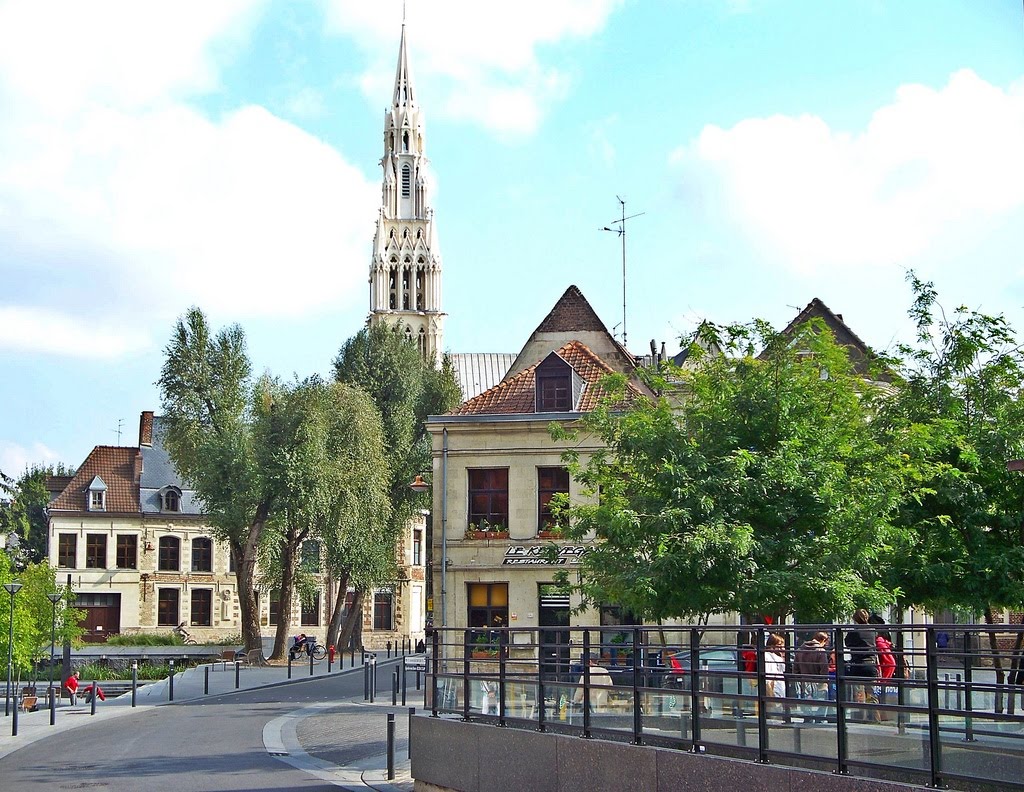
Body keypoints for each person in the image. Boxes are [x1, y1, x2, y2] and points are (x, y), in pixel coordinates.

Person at [845, 608, 879, 718]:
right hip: (871, 665)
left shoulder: (853, 632)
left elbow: (847, 643)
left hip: (857, 665)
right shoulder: (873, 631)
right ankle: (874, 717)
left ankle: (860, 717)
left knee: (859, 694)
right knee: (871, 693)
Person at [794, 632, 829, 722]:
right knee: (823, 700)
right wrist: (824, 682)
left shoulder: (800, 650)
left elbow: (795, 669)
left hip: (804, 681)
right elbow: (824, 669)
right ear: (823, 640)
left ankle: (808, 718)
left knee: (806, 702)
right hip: (818, 681)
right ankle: (819, 719)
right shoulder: (821, 651)